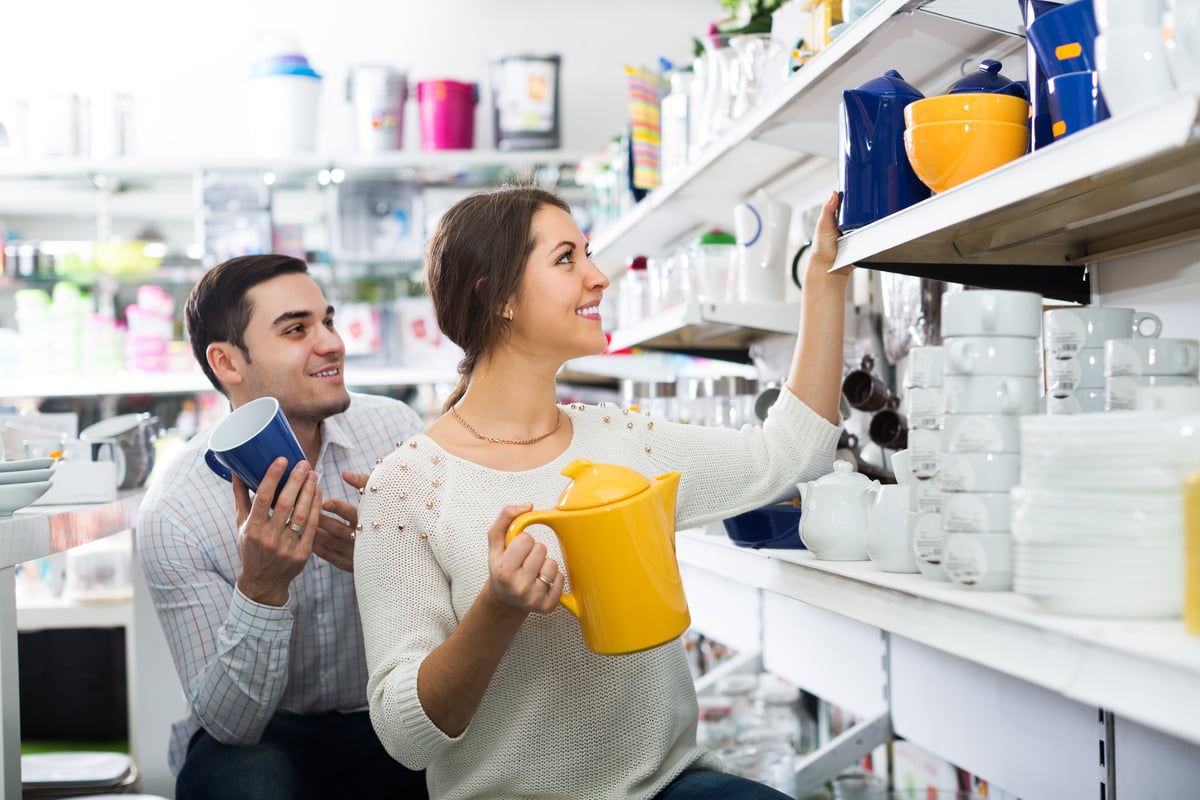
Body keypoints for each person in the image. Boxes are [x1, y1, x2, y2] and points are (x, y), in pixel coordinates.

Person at [353, 185, 850, 800]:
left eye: (588, 253)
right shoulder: (405, 489)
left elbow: (789, 454)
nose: (598, 277)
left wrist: (827, 274)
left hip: (667, 787)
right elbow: (405, 737)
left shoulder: (622, 439)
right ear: (498, 295)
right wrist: (496, 610)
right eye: (567, 259)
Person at [137, 254, 429, 799]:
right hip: (266, 733)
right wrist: (263, 589)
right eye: (297, 329)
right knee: (243, 778)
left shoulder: (395, 431)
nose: (332, 343)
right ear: (227, 362)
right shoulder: (175, 512)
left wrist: (401, 552)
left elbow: (453, 609)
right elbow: (231, 725)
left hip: (388, 707)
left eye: (329, 321)